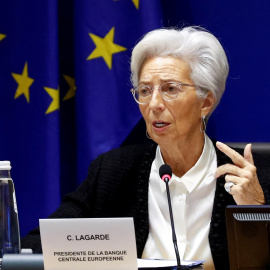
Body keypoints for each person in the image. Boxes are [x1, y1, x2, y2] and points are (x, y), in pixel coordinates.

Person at [21, 26, 270, 270]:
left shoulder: (255, 179)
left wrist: (256, 211)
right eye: (144, 90)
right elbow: (36, 246)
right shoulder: (112, 173)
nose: (154, 104)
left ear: (206, 102)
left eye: (170, 89)